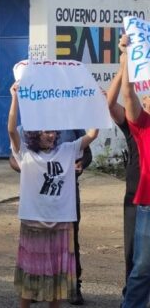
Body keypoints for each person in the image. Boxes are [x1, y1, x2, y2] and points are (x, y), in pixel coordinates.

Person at [7, 82, 98, 308]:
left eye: (54, 131)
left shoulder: (67, 150)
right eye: (46, 131)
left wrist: (96, 104)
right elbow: (11, 130)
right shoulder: (26, 153)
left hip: (61, 222)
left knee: (58, 275)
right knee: (30, 275)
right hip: (33, 222)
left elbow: (92, 134)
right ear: (35, 133)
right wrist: (15, 98)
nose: (51, 135)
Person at [106, 36, 140, 296]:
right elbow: (111, 103)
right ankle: (132, 295)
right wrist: (123, 64)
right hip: (136, 197)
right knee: (133, 250)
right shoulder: (136, 126)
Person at [120, 34, 150, 308]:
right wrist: (127, 56)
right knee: (142, 269)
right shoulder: (143, 125)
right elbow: (128, 93)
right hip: (148, 206)